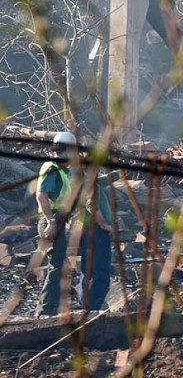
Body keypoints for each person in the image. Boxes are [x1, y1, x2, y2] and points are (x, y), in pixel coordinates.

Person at [35, 131, 75, 316]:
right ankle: (45, 310)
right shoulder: (52, 168)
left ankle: (54, 306)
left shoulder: (61, 169)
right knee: (57, 265)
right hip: (51, 220)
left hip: (57, 220)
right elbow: (41, 197)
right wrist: (51, 221)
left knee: (60, 264)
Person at [78, 168, 115, 312]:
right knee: (100, 271)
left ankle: (84, 304)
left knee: (87, 269)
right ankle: (94, 307)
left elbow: (109, 178)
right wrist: (105, 225)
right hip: (97, 232)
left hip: (86, 231)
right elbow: (92, 206)